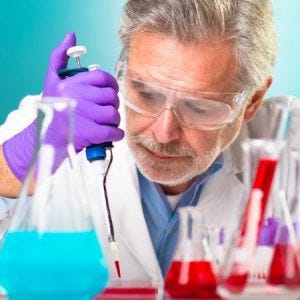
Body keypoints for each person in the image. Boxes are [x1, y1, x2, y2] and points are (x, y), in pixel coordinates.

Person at [0, 0, 295, 282]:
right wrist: (17, 164)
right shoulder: (57, 117)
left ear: (252, 101)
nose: (164, 132)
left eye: (199, 107)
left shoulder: (290, 144)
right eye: (146, 94)